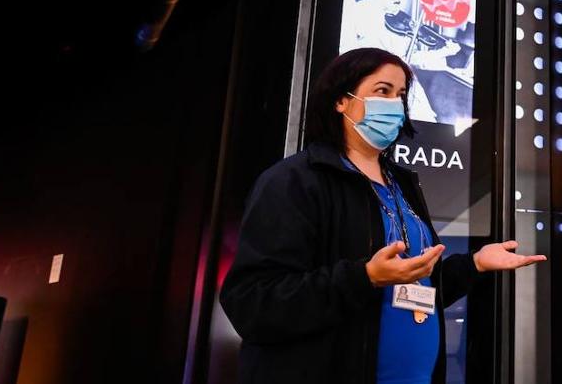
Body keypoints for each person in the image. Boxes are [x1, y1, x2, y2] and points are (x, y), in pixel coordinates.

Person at [220, 47, 544, 384]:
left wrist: (475, 264)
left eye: (401, 94)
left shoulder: (401, 184)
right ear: (340, 101)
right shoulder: (295, 181)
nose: (394, 104)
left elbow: (417, 286)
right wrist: (365, 277)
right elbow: (252, 302)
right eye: (382, 91)